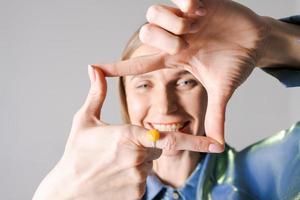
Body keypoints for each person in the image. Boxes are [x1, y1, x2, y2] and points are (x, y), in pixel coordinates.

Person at [33, 0, 300, 199]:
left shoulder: (272, 172)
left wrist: (271, 40)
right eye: (144, 84)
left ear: (211, 88)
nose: (165, 106)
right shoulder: (92, 192)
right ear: (125, 98)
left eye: (185, 81)